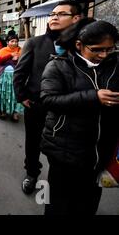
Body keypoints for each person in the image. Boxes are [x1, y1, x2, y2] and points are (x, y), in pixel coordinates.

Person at [40, 18, 119, 215]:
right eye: (97, 49)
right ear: (79, 45)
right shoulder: (58, 66)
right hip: (64, 151)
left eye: (109, 49)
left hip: (100, 153)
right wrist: (93, 97)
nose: (103, 55)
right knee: (58, 204)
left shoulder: (115, 65)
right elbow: (48, 99)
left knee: (88, 204)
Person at [13, 0, 82, 195]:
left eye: (61, 14)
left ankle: (59, 180)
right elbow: (20, 72)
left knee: (63, 147)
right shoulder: (35, 43)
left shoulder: (81, 46)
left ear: (76, 18)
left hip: (69, 107)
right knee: (33, 142)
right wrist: (22, 96)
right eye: (52, 14)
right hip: (37, 105)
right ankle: (32, 173)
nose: (54, 17)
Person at [0, 34, 23, 121]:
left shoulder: (21, 51)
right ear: (7, 42)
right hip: (4, 77)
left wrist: (17, 59)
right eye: (12, 41)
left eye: (16, 41)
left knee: (15, 95)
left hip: (16, 77)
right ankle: (3, 111)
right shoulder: (3, 50)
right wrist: (10, 55)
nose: (14, 43)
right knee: (3, 94)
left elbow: (24, 63)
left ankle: (15, 113)